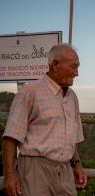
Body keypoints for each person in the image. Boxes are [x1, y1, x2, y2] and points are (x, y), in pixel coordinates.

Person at [3, 44, 87, 196]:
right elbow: (10, 137)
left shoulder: (72, 97)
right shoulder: (30, 92)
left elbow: (70, 138)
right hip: (35, 171)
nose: (77, 73)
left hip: (65, 170)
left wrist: (77, 165)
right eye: (74, 67)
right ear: (55, 64)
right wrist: (9, 176)